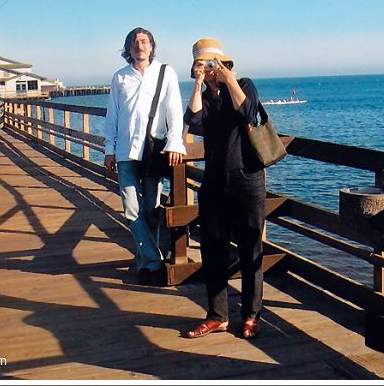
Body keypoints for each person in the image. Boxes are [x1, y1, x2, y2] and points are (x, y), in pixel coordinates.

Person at [183, 37, 266, 340]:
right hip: (215, 181)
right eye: (204, 64)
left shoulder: (243, 84)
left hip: (248, 180)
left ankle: (252, 314)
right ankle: (217, 315)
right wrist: (197, 83)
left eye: (213, 63)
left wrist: (228, 76)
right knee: (213, 249)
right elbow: (191, 120)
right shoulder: (204, 96)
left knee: (250, 248)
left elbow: (248, 114)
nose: (210, 69)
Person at [104, 27, 186, 285]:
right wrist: (109, 149)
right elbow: (113, 116)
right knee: (131, 209)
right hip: (126, 152)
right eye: (135, 42)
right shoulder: (120, 77)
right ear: (128, 48)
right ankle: (155, 262)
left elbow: (174, 111)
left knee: (151, 209)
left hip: (152, 152)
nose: (140, 46)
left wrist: (175, 143)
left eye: (144, 41)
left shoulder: (165, 72)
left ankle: (146, 264)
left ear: (152, 46)